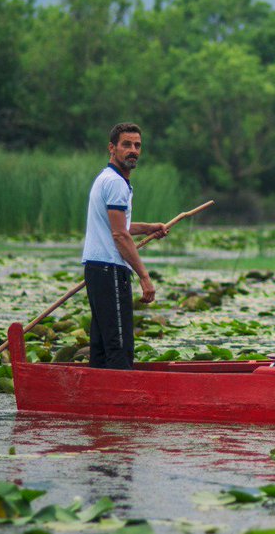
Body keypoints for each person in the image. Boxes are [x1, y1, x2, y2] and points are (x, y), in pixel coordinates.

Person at [81, 122, 167, 369]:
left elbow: (121, 228)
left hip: (97, 269)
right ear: (112, 148)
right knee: (120, 347)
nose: (133, 150)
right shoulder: (116, 183)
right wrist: (144, 276)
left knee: (102, 346)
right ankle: (119, 403)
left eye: (137, 146)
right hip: (110, 270)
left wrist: (149, 227)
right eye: (127, 144)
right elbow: (119, 236)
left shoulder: (106, 179)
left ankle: (95, 399)